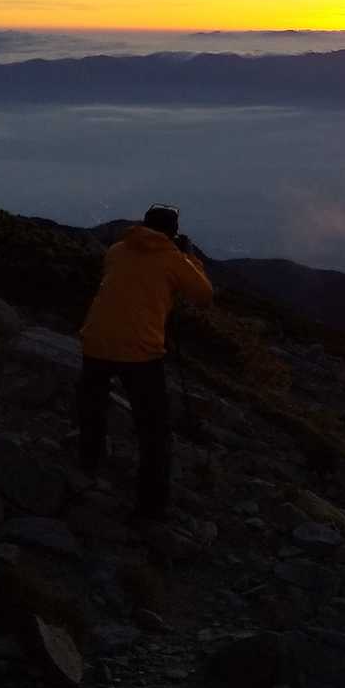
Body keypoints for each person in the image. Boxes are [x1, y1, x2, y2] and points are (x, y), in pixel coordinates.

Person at [76, 203, 213, 524]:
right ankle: (150, 507)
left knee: (93, 409)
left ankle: (86, 467)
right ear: (173, 233)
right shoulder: (174, 259)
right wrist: (190, 257)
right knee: (153, 430)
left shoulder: (116, 250)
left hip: (95, 341)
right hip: (140, 352)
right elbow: (204, 296)